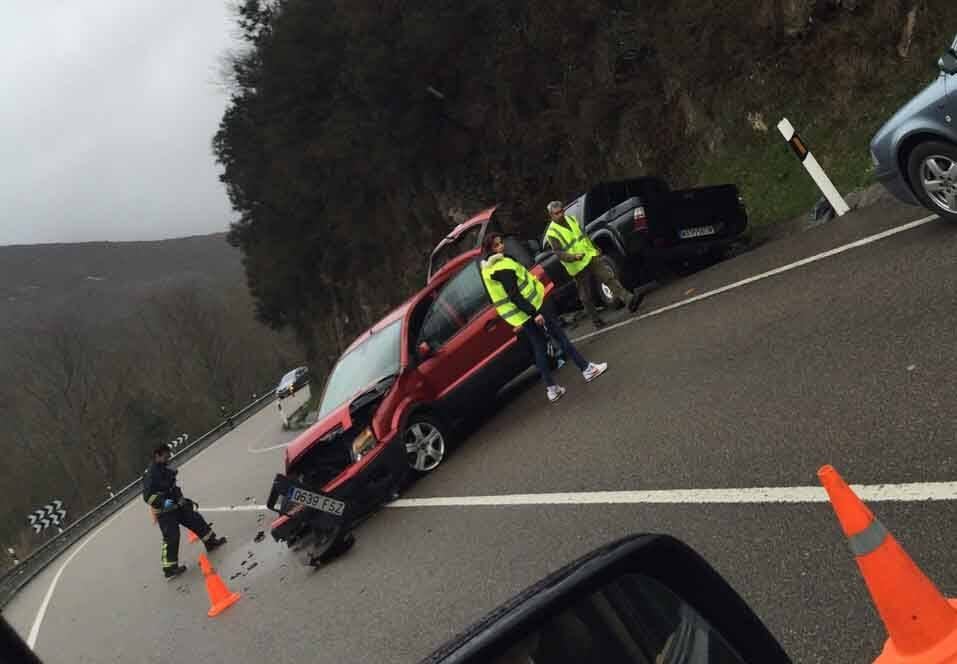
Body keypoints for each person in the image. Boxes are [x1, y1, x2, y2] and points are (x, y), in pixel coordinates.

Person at [480, 232, 607, 403]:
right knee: (560, 337)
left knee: (539, 347)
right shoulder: (501, 267)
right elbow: (515, 295)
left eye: (501, 243)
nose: (501, 246)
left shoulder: (488, 270)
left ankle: (552, 389)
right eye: (496, 245)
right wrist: (535, 313)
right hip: (532, 309)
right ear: (489, 250)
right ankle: (587, 369)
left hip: (522, 315)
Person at [544, 200, 644, 329]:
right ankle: (596, 320)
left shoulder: (571, 219)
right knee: (586, 295)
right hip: (577, 265)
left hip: (589, 255)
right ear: (551, 215)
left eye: (561, 211)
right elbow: (559, 253)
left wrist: (594, 247)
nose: (561, 214)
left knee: (607, 277)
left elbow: (583, 236)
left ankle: (629, 300)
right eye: (557, 213)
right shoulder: (552, 233)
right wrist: (573, 257)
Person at [143, 444, 227, 580]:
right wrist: (163, 502)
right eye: (166, 455)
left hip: (177, 505)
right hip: (164, 512)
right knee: (172, 537)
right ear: (157, 456)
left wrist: (181, 499)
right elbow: (148, 496)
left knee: (195, 520)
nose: (168, 457)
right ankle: (169, 568)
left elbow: (172, 486)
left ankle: (211, 542)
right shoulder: (150, 474)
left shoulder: (164, 467)